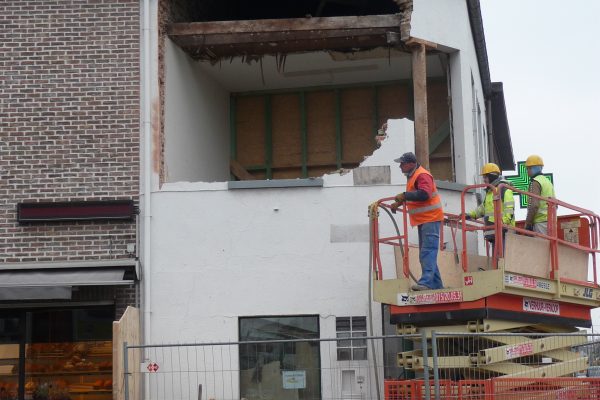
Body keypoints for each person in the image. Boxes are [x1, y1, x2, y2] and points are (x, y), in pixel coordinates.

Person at [390, 152, 444, 291]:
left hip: (430, 218)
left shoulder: (422, 175)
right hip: (424, 219)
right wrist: (401, 202)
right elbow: (417, 195)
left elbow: (424, 194)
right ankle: (436, 284)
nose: (400, 166)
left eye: (402, 163)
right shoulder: (414, 176)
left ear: (410, 164)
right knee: (427, 251)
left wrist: (404, 195)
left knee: (427, 251)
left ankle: (426, 282)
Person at [465, 163, 515, 251]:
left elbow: (509, 209)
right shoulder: (490, 192)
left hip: (504, 231)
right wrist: (470, 215)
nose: (484, 180)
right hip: (494, 231)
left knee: (503, 258)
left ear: (492, 176)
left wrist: (503, 223)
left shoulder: (504, 189)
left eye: (485, 177)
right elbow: (483, 209)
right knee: (497, 259)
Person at [524, 155, 555, 235]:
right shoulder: (547, 181)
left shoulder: (535, 182)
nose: (527, 171)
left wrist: (528, 223)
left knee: (540, 246)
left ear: (534, 168)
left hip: (540, 222)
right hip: (551, 221)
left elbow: (534, 205)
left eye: (528, 168)